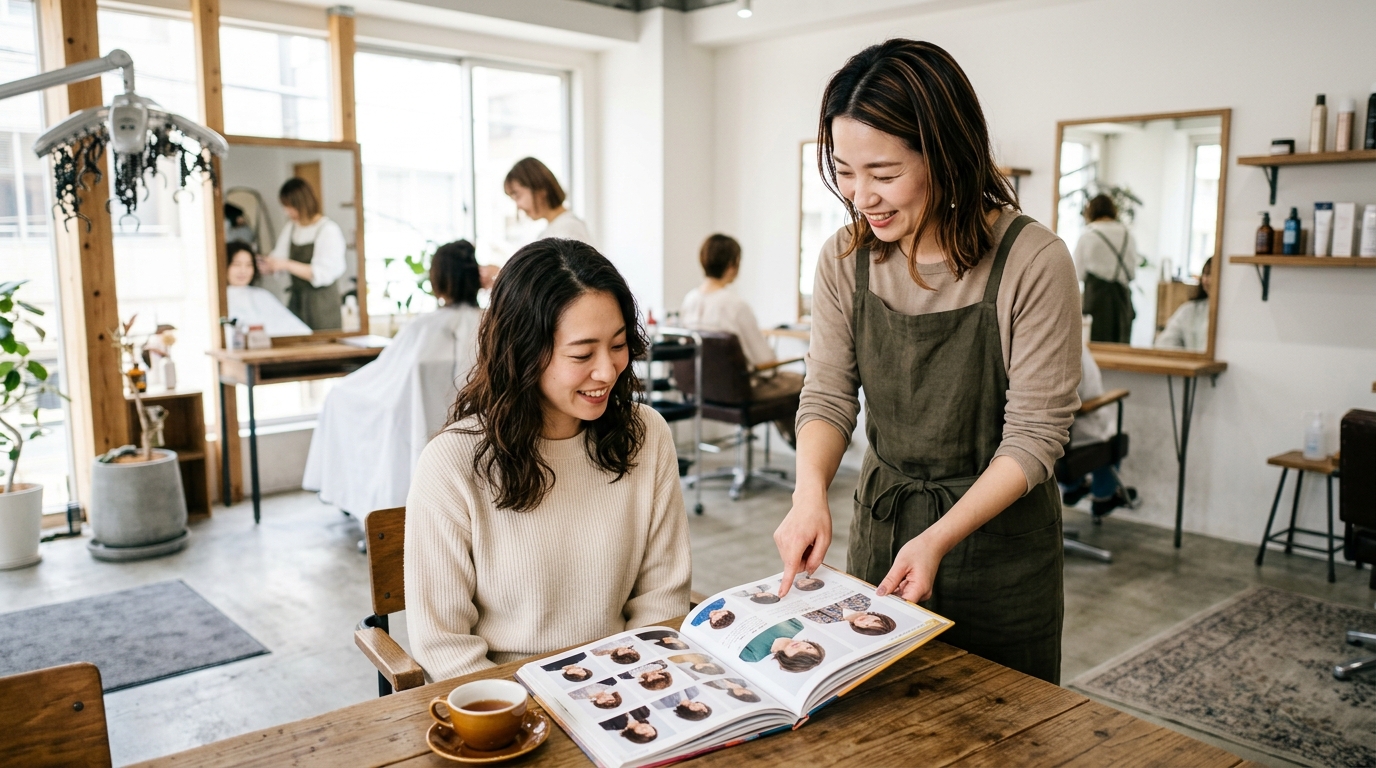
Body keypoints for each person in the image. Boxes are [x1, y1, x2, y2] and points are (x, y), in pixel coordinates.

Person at [772, 40, 1081, 685]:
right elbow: (828, 395)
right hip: (884, 529)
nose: (862, 197)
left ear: (946, 156)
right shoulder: (844, 258)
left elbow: (1036, 437)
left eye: (884, 174)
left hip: (999, 549)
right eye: (846, 172)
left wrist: (940, 537)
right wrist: (809, 498)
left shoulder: (1033, 260)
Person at [404, 238, 692, 681]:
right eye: (582, 354)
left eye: (618, 345)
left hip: (625, 686)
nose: (607, 371)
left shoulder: (646, 435)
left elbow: (662, 599)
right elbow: (443, 645)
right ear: (523, 351)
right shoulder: (453, 462)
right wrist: (527, 710)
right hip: (508, 700)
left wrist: (632, 687)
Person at [302, 241, 486, 518]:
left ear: (438, 281)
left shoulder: (424, 328)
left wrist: (344, 390)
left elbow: (385, 378)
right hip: (479, 426)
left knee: (339, 396)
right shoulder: (493, 323)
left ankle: (372, 506)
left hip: (417, 429)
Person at [681, 234, 803, 446]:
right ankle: (802, 444)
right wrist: (774, 366)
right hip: (742, 392)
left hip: (703, 392)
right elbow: (764, 363)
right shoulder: (734, 305)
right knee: (804, 383)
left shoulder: (689, 300)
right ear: (733, 264)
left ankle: (795, 440)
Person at [1062, 333, 1138, 517]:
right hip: (1068, 440)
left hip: (1026, 439)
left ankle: (1073, 487)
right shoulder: (1070, 342)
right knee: (1111, 434)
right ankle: (1104, 497)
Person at [259, 178, 347, 331]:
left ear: (303, 202)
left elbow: (322, 273)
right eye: (285, 207)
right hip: (297, 302)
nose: (288, 212)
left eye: (291, 206)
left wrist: (286, 264)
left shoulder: (327, 229)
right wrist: (265, 264)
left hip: (322, 305)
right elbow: (278, 258)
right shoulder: (292, 227)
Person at [1073, 194, 1138, 344]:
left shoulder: (1088, 236)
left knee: (1096, 348)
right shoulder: (1128, 235)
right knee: (1120, 347)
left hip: (1096, 301)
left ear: (1091, 212)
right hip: (1122, 300)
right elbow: (1132, 273)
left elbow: (1078, 273)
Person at [224, 241, 311, 337]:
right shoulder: (217, 300)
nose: (243, 271)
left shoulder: (262, 295)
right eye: (236, 264)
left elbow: (297, 329)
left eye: (249, 265)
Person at [505, 157, 596, 247]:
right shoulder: (556, 229)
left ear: (539, 188)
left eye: (517, 196)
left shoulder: (567, 230)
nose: (518, 205)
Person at [1156, 258, 1212, 351]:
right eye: (1206, 274)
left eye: (1212, 274)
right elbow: (1164, 344)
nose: (1207, 280)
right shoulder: (1189, 310)